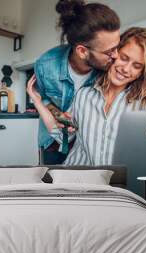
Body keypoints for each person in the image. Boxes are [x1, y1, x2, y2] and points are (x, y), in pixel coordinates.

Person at [28, 27, 146, 165]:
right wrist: (38, 102)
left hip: (115, 183)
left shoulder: (144, 107)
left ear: (142, 72)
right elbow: (63, 137)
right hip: (77, 177)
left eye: (137, 66)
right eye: (124, 58)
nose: (126, 69)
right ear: (114, 54)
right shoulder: (84, 95)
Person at [34, 0, 121, 164]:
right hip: (54, 144)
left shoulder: (111, 67)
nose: (116, 56)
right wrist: (60, 116)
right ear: (82, 51)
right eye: (109, 52)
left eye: (117, 46)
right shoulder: (45, 65)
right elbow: (43, 97)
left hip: (89, 146)